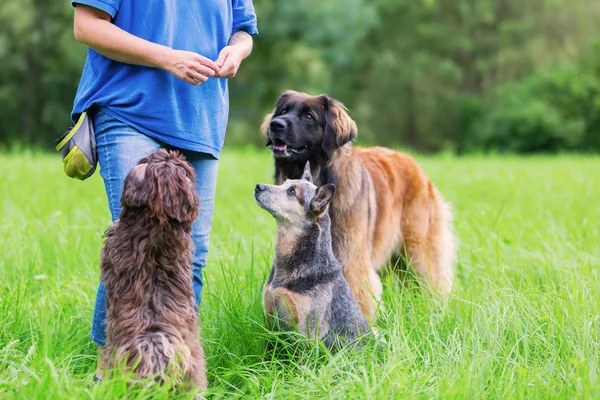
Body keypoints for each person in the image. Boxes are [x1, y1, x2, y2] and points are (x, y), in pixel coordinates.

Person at [70, 0, 258, 380]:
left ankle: (171, 374)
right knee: (136, 244)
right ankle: (111, 374)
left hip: (199, 119)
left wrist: (235, 51)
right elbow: (87, 26)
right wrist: (166, 58)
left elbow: (243, 29)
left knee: (190, 257)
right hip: (129, 108)